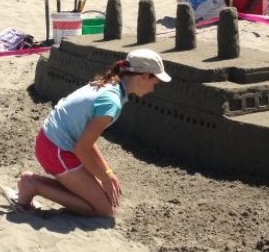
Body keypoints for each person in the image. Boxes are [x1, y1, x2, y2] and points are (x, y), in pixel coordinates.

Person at [14, 49, 171, 217]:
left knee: (105, 197)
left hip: (55, 142)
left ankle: (36, 183)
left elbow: (87, 140)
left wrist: (108, 174)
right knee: (104, 210)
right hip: (55, 149)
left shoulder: (110, 85)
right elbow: (83, 148)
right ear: (144, 76)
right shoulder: (112, 102)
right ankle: (32, 184)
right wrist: (104, 178)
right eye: (155, 81)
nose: (154, 88)